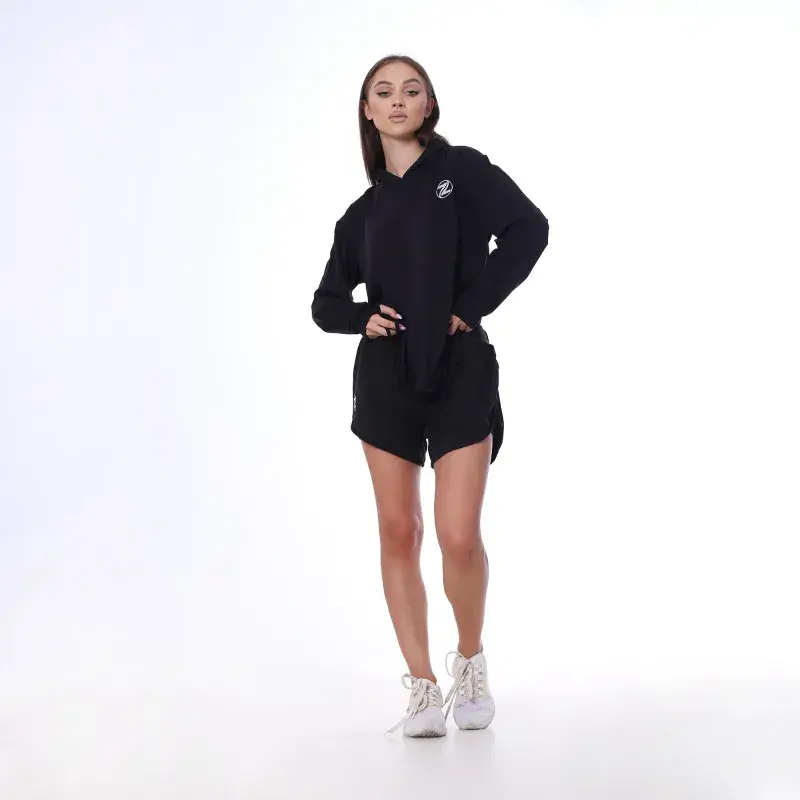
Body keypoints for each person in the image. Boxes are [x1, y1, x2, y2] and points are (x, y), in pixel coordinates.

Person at [311, 54, 549, 737]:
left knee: (457, 535)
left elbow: (529, 231)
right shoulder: (360, 216)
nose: (397, 100)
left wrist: (469, 307)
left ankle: (470, 662)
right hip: (385, 378)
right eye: (383, 92)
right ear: (367, 111)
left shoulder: (462, 172)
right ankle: (421, 686)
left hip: (459, 369)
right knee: (399, 531)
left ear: (428, 106)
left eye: (411, 90)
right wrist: (363, 316)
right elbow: (325, 303)